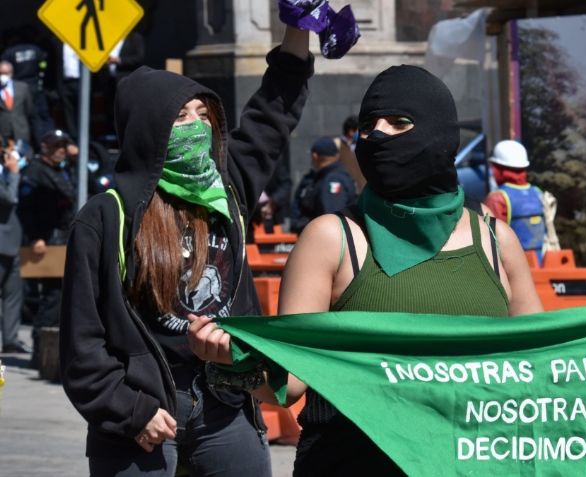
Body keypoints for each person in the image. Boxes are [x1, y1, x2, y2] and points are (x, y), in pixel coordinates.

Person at [188, 64, 543, 474]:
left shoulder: (497, 240)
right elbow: (288, 382)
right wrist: (231, 361)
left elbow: (537, 370)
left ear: (441, 133)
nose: (378, 135)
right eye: (369, 125)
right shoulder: (331, 238)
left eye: (400, 122)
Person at [58, 25, 311, 476]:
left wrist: (298, 31)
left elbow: (272, 115)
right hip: (145, 413)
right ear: (148, 130)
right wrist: (129, 411)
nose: (197, 125)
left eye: (203, 113)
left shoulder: (225, 189)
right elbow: (82, 344)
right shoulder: (106, 217)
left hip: (225, 403)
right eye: (180, 117)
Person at [19, 129, 76, 363]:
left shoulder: (62, 170)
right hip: (49, 241)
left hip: (64, 238)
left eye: (64, 146)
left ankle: (53, 352)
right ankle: (41, 352)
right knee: (52, 298)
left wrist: (75, 158)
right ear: (45, 148)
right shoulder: (35, 172)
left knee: (64, 298)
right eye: (57, 147)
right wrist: (35, 237)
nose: (62, 151)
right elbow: (26, 208)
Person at [483, 139, 558, 264]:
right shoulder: (537, 192)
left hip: (514, 269)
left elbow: (489, 241)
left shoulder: (497, 199)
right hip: (542, 264)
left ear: (499, 169)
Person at [289, 136, 356, 233]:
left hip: (324, 240)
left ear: (314, 156)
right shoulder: (323, 177)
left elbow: (332, 221)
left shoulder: (333, 180)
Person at [0, 137, 26, 354]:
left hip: (13, 241)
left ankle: (11, 339)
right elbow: (9, 198)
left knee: (13, 293)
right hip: (1, 242)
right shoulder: (8, 173)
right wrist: (14, 173)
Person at [0, 61, 35, 152]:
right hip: (3, 131)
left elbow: (29, 109)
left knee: (23, 155)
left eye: (6, 73)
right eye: (1, 73)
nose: (3, 76)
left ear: (11, 73)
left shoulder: (23, 87)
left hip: (20, 129)